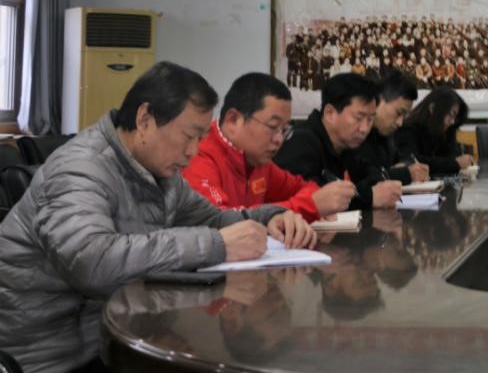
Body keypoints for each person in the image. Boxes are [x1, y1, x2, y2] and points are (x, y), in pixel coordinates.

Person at [0, 61, 315, 373]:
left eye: (200, 138)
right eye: (189, 136)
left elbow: (213, 220)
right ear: (144, 119)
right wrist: (215, 245)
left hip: (116, 340)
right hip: (50, 358)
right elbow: (92, 262)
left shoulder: (161, 174)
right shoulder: (80, 169)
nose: (193, 151)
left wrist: (270, 217)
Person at [182, 72, 357, 222]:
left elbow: (304, 188)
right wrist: (308, 207)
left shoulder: (259, 162)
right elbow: (218, 220)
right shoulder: (199, 157)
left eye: (284, 130)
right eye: (273, 127)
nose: (279, 139)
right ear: (233, 120)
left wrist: (318, 201)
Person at [275, 72, 403, 209]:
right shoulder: (300, 143)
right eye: (358, 118)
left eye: (370, 119)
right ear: (330, 113)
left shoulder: (346, 144)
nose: (365, 129)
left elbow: (372, 175)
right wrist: (368, 197)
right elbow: (315, 199)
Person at [349, 69, 430, 186]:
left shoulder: (385, 135)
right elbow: (363, 179)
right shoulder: (356, 133)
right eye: (398, 113)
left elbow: (405, 159)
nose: (400, 123)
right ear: (380, 99)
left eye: (404, 116)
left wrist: (408, 168)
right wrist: (404, 173)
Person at [394, 86, 473, 176]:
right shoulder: (407, 130)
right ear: (432, 108)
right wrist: (455, 163)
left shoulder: (442, 131)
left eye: (455, 118)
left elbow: (450, 156)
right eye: (451, 115)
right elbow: (413, 161)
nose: (452, 122)